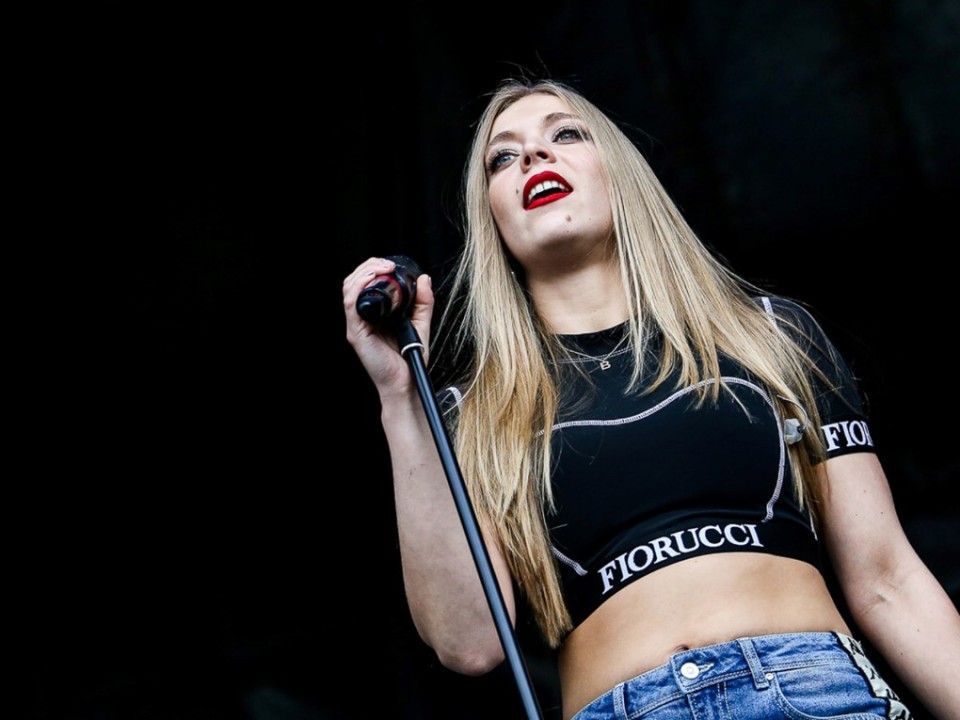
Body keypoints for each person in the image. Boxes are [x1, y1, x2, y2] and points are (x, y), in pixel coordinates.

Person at [341, 77, 960, 720]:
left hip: (813, 692)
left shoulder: (771, 335)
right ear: (490, 215)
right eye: (503, 156)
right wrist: (400, 400)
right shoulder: (468, 413)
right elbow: (469, 644)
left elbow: (888, 582)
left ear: (621, 172)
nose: (533, 157)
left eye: (566, 134)